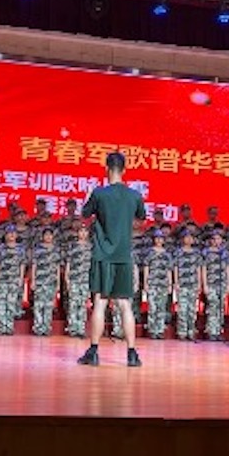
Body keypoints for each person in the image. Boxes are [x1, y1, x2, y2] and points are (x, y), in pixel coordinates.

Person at [77, 152, 146, 367]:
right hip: (124, 256)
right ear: (124, 170)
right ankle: (132, 354)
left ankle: (93, 352)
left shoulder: (99, 193)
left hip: (103, 255)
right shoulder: (134, 195)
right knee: (125, 304)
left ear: (106, 169)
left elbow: (85, 214)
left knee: (100, 302)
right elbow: (141, 218)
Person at [0, 225, 27, 335]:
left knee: (11, 303)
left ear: (16, 235)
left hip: (14, 279)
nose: (11, 235)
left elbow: (22, 265)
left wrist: (21, 278)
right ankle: (2, 327)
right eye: (9, 233)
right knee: (1, 303)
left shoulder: (21, 249)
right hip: (2, 279)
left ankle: (9, 327)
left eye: (13, 233)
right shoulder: (0, 248)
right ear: (5, 235)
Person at [201, 229, 229, 341]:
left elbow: (227, 269)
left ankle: (218, 331)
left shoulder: (225, 253)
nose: (216, 241)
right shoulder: (206, 252)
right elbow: (204, 269)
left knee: (220, 308)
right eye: (214, 239)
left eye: (218, 238)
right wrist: (204, 285)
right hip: (211, 283)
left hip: (222, 283)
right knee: (212, 307)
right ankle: (211, 331)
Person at [142, 230, 173, 339]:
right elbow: (146, 268)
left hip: (163, 284)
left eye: (161, 238)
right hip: (152, 283)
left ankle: (160, 330)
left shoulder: (167, 254)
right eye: (157, 238)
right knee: (152, 307)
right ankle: (152, 330)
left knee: (161, 307)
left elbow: (169, 270)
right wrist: (146, 283)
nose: (159, 240)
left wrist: (170, 284)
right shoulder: (149, 253)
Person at [174, 229, 204, 341]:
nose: (189, 239)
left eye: (191, 237)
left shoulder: (196, 253)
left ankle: (191, 331)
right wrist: (176, 282)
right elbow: (175, 267)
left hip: (193, 284)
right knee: (182, 309)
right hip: (182, 284)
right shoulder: (178, 252)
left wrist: (199, 283)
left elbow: (198, 268)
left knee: (192, 309)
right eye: (187, 237)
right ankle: (182, 332)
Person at [64, 223, 92, 337]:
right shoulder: (72, 246)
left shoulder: (91, 247)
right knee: (73, 304)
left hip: (86, 280)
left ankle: (81, 328)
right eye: (81, 231)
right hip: (74, 279)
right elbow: (68, 263)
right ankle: (72, 328)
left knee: (83, 304)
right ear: (77, 233)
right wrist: (67, 278)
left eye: (85, 231)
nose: (83, 233)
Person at [31, 227, 61, 336]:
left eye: (50, 235)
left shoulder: (56, 250)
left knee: (49, 305)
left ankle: (46, 328)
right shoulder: (37, 249)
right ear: (42, 236)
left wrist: (58, 283)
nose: (48, 237)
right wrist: (33, 280)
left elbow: (57, 267)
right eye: (46, 235)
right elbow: (34, 265)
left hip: (51, 281)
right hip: (40, 281)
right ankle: (38, 328)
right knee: (38, 305)